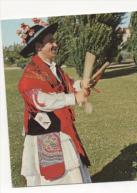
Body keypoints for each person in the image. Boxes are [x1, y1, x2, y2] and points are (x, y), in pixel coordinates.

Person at [17, 18, 92, 186]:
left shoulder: (54, 68)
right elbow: (40, 100)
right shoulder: (30, 73)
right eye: (50, 41)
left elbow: (68, 83)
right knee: (55, 178)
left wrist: (82, 84)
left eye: (54, 40)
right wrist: (73, 98)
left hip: (62, 130)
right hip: (45, 134)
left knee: (72, 174)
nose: (55, 44)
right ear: (38, 46)